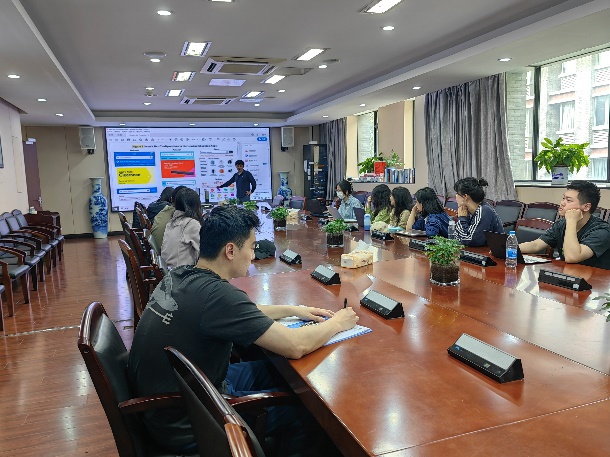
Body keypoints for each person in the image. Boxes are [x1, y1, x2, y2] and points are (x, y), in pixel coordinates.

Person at [128, 205, 358, 455]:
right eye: (251, 247)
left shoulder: (182, 275)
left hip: (182, 397)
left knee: (275, 371)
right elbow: (296, 345)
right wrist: (338, 323)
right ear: (230, 250)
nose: (253, 255)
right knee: (311, 415)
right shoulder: (218, 295)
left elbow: (242, 311)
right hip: (192, 422)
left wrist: (293, 310)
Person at [519, 180, 610, 269]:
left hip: (595, 277)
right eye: (563, 198)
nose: (562, 203)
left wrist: (571, 221)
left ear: (586, 207)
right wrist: (512, 248)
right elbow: (536, 245)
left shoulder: (601, 231)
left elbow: (572, 257)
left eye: (569, 200)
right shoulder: (561, 224)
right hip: (567, 274)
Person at [453, 178, 504, 246]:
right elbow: (457, 236)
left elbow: (471, 240)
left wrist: (462, 218)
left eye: (457, 193)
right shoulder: (467, 211)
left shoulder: (484, 210)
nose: (455, 196)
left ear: (465, 196)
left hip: (492, 251)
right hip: (478, 249)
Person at [161, 188, 203, 269]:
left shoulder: (171, 222)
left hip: (169, 270)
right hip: (182, 273)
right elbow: (205, 253)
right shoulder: (191, 224)